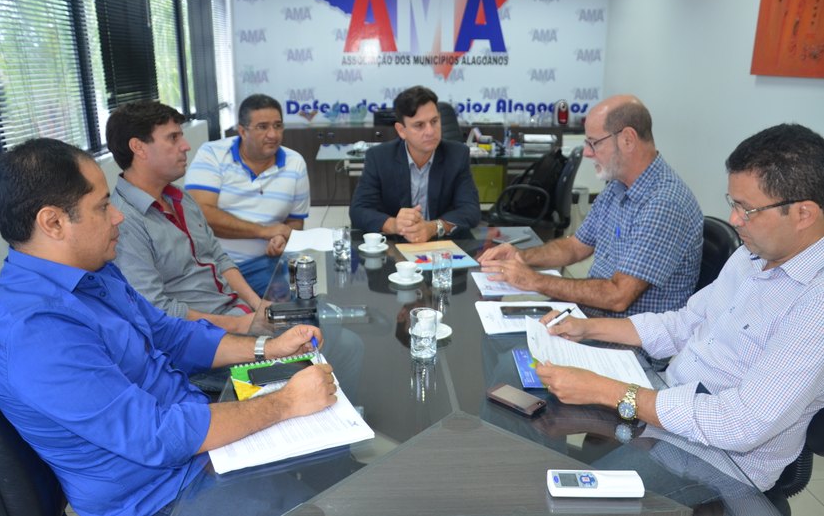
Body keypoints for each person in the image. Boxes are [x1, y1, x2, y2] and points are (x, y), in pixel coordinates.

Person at [0, 138, 337, 516]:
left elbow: (169, 334)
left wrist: (266, 348)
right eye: (103, 205)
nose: (118, 217)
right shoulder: (35, 331)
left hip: (193, 437)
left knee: (332, 463)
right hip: (162, 495)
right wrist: (285, 403)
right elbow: (154, 435)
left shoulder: (94, 272)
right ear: (54, 222)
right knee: (326, 505)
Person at [535, 123, 824, 492]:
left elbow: (740, 424)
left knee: (564, 495)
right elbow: (686, 324)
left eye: (747, 210)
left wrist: (610, 392)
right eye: (732, 204)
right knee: (537, 418)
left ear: (803, 214)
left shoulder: (815, 303)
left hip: (719, 463)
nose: (735, 221)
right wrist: (587, 328)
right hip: (667, 412)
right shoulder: (752, 256)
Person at [480, 95, 703, 317]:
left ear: (627, 139)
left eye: (593, 143)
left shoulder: (664, 203)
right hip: (590, 317)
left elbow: (617, 297)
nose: (587, 152)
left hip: (623, 339)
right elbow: (576, 246)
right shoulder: (618, 187)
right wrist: (521, 257)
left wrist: (535, 280)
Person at [107, 100, 259, 334]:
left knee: (314, 332)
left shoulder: (180, 198)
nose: (186, 146)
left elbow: (218, 257)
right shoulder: (123, 221)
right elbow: (155, 309)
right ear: (139, 147)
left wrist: (259, 307)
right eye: (173, 138)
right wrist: (237, 325)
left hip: (236, 315)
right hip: (200, 338)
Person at [185, 94, 309, 296]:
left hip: (268, 263)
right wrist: (263, 231)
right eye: (262, 127)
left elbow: (295, 222)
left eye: (278, 126)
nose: (273, 134)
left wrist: (281, 238)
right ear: (242, 131)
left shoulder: (295, 163)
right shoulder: (212, 154)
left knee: (303, 298)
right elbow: (201, 215)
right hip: (214, 265)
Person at [349, 85, 480, 243]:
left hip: (440, 245)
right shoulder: (379, 158)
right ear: (401, 130)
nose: (430, 131)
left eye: (434, 121)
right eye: (419, 125)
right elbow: (359, 210)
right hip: (395, 246)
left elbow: (470, 210)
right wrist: (395, 225)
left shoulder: (457, 155)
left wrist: (433, 227)